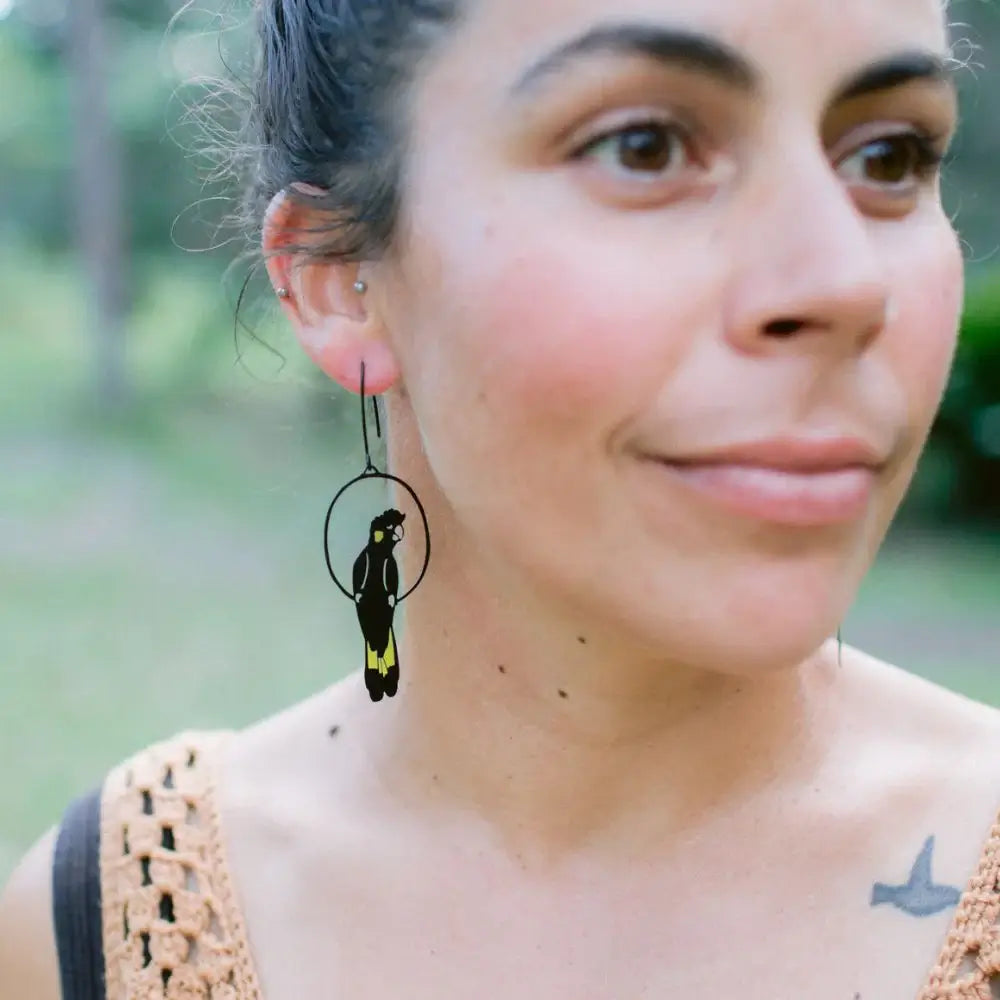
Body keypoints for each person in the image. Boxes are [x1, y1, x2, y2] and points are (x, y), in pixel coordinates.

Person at [1, 0, 996, 997]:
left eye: (890, 157)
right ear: (337, 277)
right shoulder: (110, 922)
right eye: (643, 147)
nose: (844, 282)